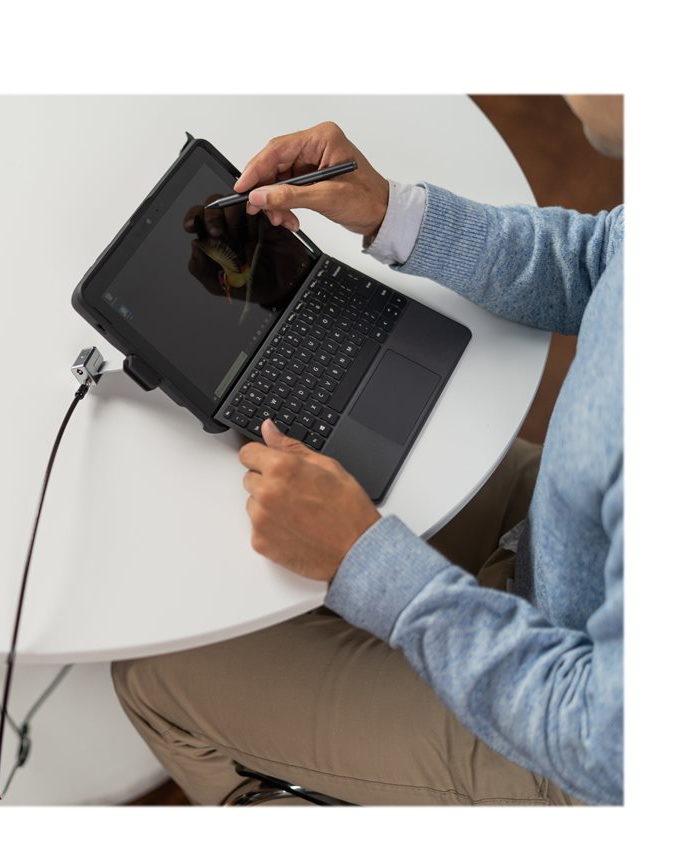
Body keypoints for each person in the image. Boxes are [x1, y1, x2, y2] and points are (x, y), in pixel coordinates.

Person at [112, 96, 624, 806]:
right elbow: (600, 259)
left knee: (152, 678)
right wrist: (389, 211)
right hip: (555, 531)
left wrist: (365, 558)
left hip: (561, 744)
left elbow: (608, 746)